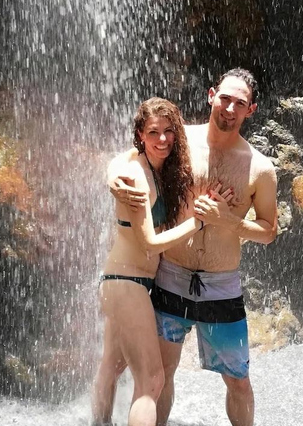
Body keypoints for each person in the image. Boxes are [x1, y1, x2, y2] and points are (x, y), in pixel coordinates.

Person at [111, 68, 278, 426]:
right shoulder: (181, 142)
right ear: (211, 95)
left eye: (240, 103)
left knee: (238, 382)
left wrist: (227, 220)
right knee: (159, 376)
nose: (230, 108)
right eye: (225, 98)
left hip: (221, 286)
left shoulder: (260, 168)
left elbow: (268, 231)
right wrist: (113, 179)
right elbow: (132, 155)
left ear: (252, 110)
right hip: (171, 275)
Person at [92, 97, 233, 426]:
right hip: (127, 283)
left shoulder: (149, 168)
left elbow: (120, 159)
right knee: (152, 381)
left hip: (127, 283)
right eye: (153, 132)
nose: (162, 139)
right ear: (140, 134)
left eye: (169, 131)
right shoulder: (136, 177)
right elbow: (149, 242)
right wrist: (198, 222)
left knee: (111, 367)